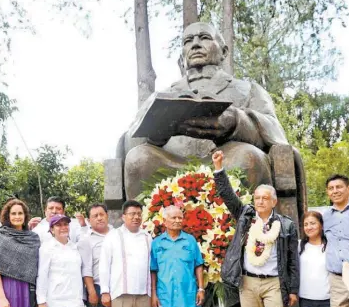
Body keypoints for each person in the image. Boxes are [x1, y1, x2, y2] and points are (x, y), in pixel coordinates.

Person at [122, 22, 304, 218]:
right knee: (137, 159)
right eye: (188, 41)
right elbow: (130, 141)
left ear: (224, 51)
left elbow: (276, 132)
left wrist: (236, 121)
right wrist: (155, 131)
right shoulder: (162, 96)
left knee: (249, 158)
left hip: (226, 162)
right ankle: (148, 238)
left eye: (204, 38)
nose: (195, 44)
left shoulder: (248, 89)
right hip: (170, 166)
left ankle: (250, 235)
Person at [212, 151, 299, 307]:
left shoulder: (286, 225)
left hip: (274, 283)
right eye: (257, 198)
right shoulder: (245, 215)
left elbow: (293, 260)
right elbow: (227, 195)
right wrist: (218, 167)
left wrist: (293, 290)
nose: (260, 201)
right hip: (248, 282)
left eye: (265, 198)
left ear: (274, 202)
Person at [0, 199, 40, 307]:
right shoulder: (2, 237)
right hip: (6, 289)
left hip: (27, 290)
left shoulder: (33, 238)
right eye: (13, 213)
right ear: (8, 216)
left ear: (25, 216)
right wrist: (2, 297)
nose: (17, 216)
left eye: (20, 213)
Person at [99, 200, 152, 307]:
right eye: (132, 214)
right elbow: (104, 265)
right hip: (120, 295)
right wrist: (105, 291)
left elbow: (151, 267)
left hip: (144, 296)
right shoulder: (113, 236)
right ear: (123, 217)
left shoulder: (147, 237)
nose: (136, 217)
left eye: (139, 214)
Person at [150, 205, 205, 307]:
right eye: (174, 218)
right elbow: (153, 270)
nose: (178, 220)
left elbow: (198, 265)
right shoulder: (157, 243)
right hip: (164, 296)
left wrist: (201, 289)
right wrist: (154, 294)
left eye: (180, 218)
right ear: (165, 221)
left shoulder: (190, 240)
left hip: (187, 295)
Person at [36, 214, 91, 307]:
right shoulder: (46, 248)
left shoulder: (74, 247)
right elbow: (42, 276)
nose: (63, 228)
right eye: (58, 225)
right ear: (52, 230)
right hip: (56, 304)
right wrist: (41, 301)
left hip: (76, 303)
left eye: (65, 224)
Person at [323, 174, 349, 307]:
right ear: (327, 192)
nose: (335, 191)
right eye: (331, 188)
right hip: (337, 280)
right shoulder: (325, 216)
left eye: (339, 187)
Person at [77, 203, 111, 307]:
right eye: (95, 216)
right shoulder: (86, 240)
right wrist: (92, 292)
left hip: (117, 287)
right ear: (88, 220)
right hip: (97, 288)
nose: (99, 218)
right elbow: (86, 268)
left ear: (107, 215)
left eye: (102, 214)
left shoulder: (117, 234)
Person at [299, 211, 330, 307]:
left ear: (321, 225)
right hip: (306, 300)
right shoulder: (298, 246)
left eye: (313, 223)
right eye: (306, 224)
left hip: (328, 299)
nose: (309, 227)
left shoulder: (331, 246)